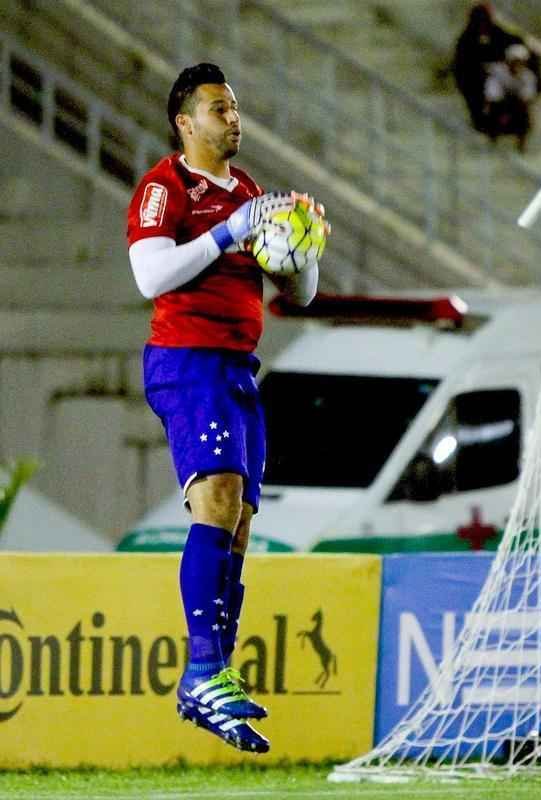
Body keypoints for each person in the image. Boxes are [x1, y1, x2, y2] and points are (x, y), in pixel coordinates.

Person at [126, 63, 324, 753]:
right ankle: (202, 670)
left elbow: (298, 296)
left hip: (239, 367)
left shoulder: (247, 192)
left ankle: (216, 675)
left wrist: (303, 246)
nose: (233, 119)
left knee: (237, 521)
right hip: (188, 360)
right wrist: (227, 232)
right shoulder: (164, 187)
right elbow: (150, 275)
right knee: (217, 497)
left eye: (235, 107)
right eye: (218, 109)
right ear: (186, 123)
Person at [452, 2, 541, 136]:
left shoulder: (499, 34)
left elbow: (520, 45)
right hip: (478, 83)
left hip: (507, 77)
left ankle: (516, 129)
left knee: (519, 101)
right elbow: (461, 68)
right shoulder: (465, 40)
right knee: (488, 103)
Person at [484, 43, 538, 152]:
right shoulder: (497, 73)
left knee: (524, 114)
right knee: (493, 112)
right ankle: (492, 143)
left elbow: (528, 97)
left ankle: (521, 146)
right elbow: (492, 95)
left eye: (521, 62)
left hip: (517, 107)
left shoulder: (528, 76)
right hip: (500, 105)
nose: (518, 65)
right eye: (515, 61)